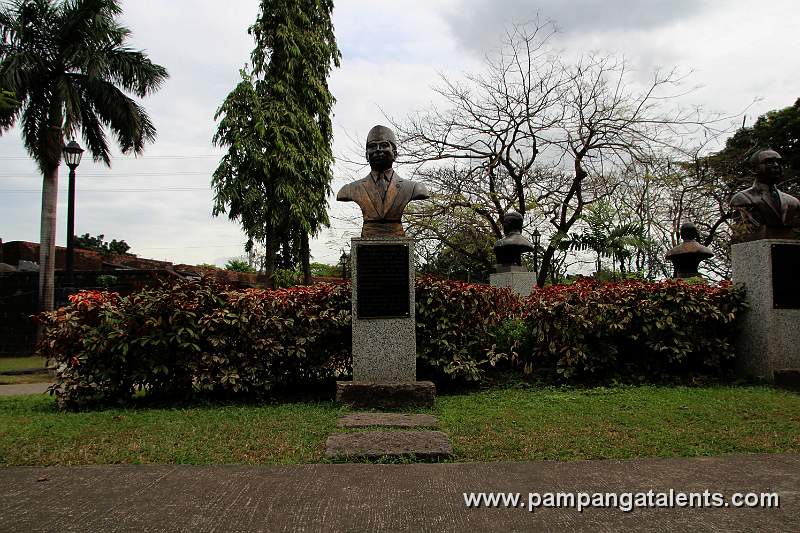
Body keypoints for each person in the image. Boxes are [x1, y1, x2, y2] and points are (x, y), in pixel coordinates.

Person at [337, 125, 429, 238]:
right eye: (372, 146)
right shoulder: (349, 190)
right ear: (366, 155)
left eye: (384, 145)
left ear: (395, 154)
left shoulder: (415, 189)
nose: (378, 150)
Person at [731, 149, 800, 232]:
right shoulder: (742, 199)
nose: (776, 165)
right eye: (769, 162)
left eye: (779, 162)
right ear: (754, 169)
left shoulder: (793, 202)